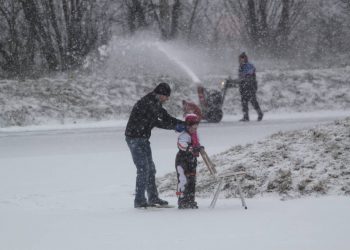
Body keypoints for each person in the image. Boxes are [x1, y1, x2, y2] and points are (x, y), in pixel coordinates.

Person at [125, 82, 186, 208]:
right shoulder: (147, 103)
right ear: (160, 94)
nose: (167, 99)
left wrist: (182, 124)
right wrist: (174, 127)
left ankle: (153, 198)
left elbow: (165, 117)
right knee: (143, 169)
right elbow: (157, 122)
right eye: (166, 96)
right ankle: (139, 201)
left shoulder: (156, 103)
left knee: (150, 169)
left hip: (143, 138)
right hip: (134, 139)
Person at [175, 113, 203, 209]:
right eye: (192, 128)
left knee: (192, 180)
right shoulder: (184, 135)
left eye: (196, 128)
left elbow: (197, 144)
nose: (194, 130)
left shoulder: (194, 135)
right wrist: (190, 148)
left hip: (191, 160)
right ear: (187, 126)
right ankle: (182, 200)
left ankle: (190, 200)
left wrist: (199, 148)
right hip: (182, 160)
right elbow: (181, 145)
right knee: (183, 180)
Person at [237, 52, 263, 122]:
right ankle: (246, 116)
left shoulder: (249, 66)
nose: (241, 60)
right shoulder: (241, 67)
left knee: (253, 101)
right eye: (240, 59)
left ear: (245, 58)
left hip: (250, 86)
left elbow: (249, 75)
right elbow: (241, 77)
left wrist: (244, 79)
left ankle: (260, 113)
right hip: (243, 86)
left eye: (242, 58)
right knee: (244, 102)